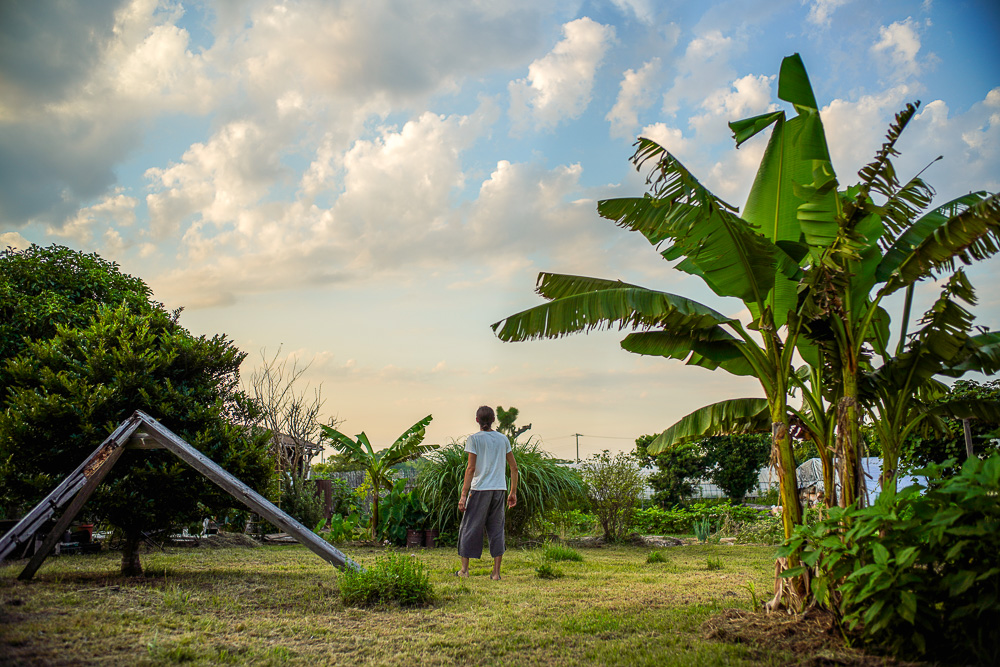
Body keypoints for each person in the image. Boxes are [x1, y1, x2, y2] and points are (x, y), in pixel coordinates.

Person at [456, 405, 518, 580]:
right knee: (497, 529)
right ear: (493, 420)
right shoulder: (503, 439)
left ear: (477, 420)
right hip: (499, 489)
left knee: (469, 528)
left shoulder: (474, 439)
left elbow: (471, 468)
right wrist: (512, 492)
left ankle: (464, 570)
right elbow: (514, 468)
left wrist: (463, 496)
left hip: (479, 489)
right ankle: (496, 574)